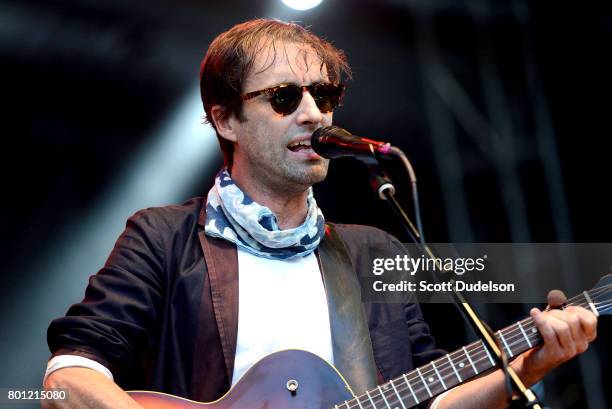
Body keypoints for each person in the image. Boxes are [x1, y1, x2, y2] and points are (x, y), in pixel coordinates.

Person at [42, 19, 597, 409]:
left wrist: (529, 366)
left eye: (325, 95)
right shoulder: (164, 237)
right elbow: (69, 377)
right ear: (227, 120)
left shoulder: (370, 250)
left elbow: (429, 399)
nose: (313, 113)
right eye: (285, 97)